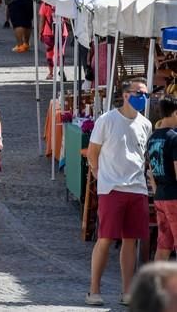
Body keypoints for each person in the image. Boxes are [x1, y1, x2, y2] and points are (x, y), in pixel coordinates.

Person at [85, 78, 153, 307]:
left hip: (137, 189)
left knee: (130, 240)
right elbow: (93, 152)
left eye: (145, 93)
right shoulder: (107, 120)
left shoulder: (146, 124)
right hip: (112, 188)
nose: (142, 97)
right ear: (125, 95)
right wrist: (98, 175)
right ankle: (94, 290)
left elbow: (143, 157)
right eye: (138, 92)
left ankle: (127, 291)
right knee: (105, 238)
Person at [147, 96, 177, 262]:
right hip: (174, 196)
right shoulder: (174, 138)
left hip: (160, 196)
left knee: (163, 245)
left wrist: (157, 190)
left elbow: (151, 171)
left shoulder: (152, 138)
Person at [39, 1, 68, 80]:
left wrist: (40, 33)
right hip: (62, 32)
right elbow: (68, 19)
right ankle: (61, 69)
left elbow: (42, 20)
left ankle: (51, 73)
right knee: (60, 52)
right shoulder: (63, 3)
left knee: (49, 53)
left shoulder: (45, 4)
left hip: (48, 32)